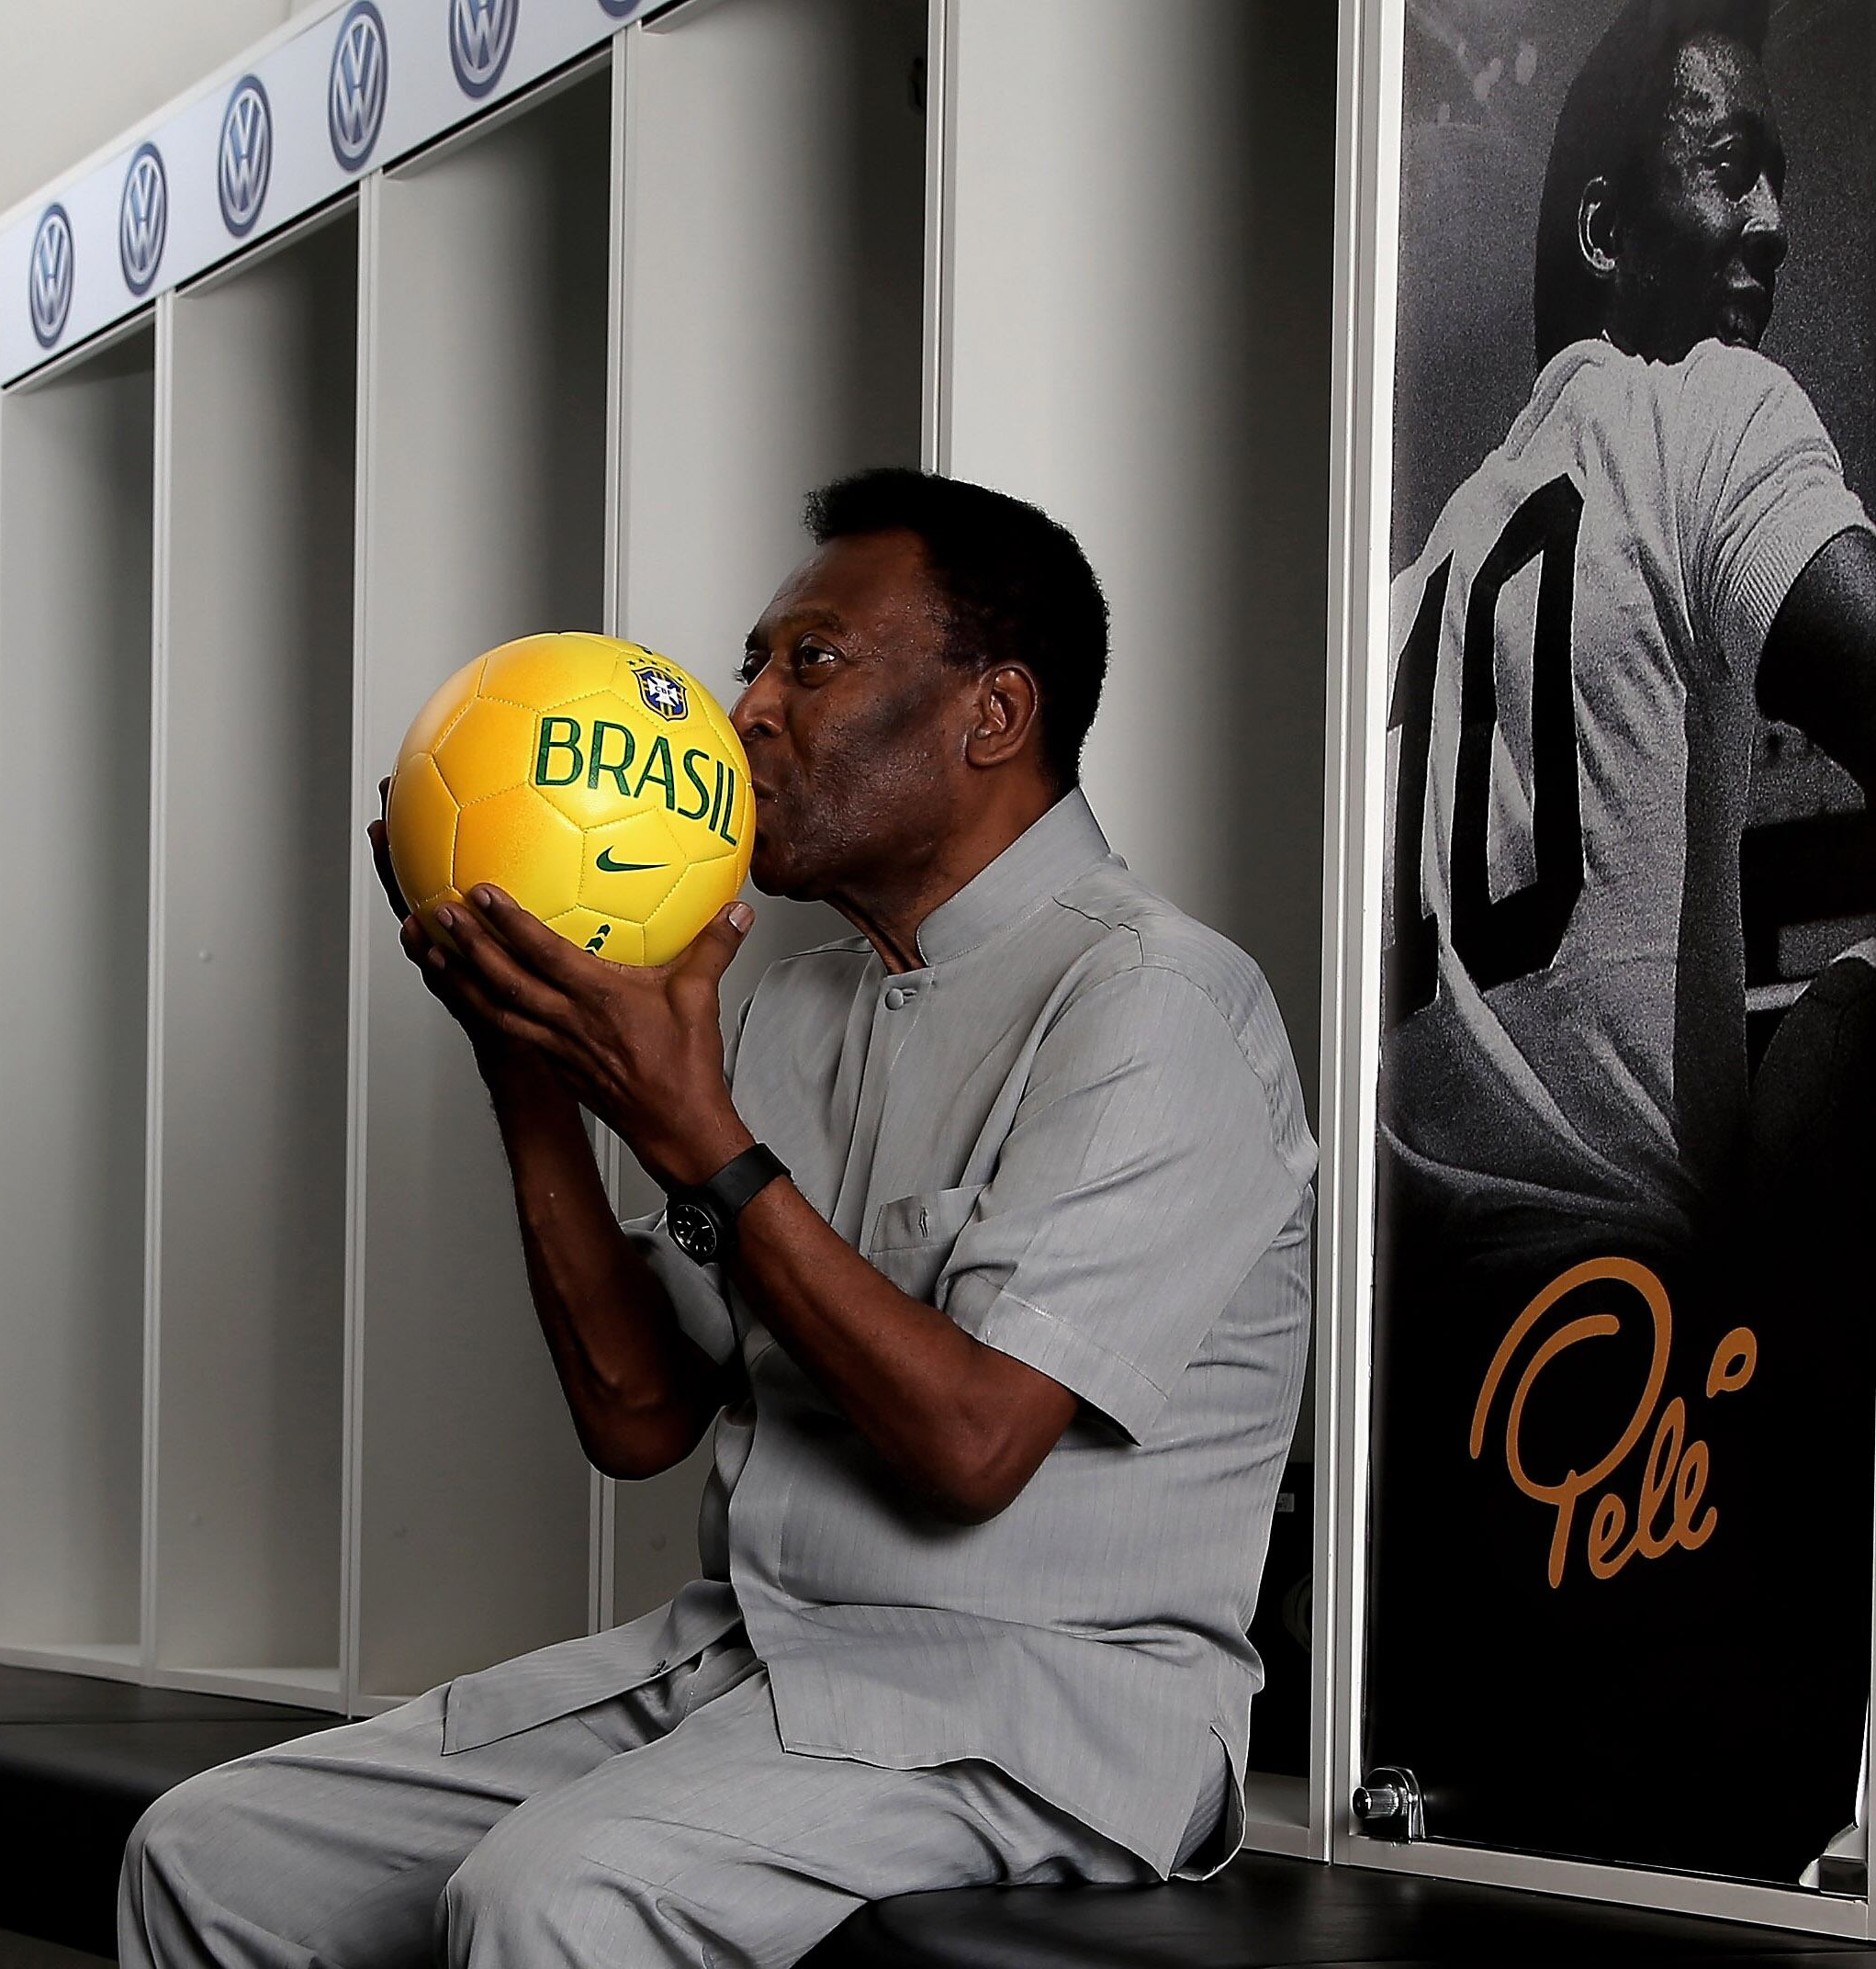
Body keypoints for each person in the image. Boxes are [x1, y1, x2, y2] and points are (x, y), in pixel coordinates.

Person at [119, 468, 1313, 1969]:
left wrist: (700, 1136)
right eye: (752, 659)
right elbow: (639, 1411)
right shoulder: (793, 999)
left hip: (1039, 1711)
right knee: (215, 1848)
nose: (742, 708)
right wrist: (528, 1064)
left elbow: (970, 1442)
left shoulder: (1157, 1003)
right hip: (753, 1656)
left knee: (550, 1894)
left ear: (991, 715)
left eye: (807, 662)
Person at [1374, 0, 1876, 1879]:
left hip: (1417, 1411)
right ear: (1602, 234)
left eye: (1779, 181)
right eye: (1722, 165)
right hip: (1623, 1380)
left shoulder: (1414, 580)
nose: (1761, 225)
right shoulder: (1708, 412)